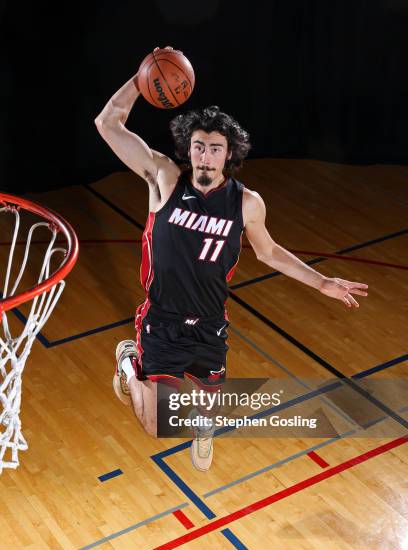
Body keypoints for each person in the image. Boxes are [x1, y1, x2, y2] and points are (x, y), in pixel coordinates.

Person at [95, 47, 368, 471]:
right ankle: (129, 362)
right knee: (156, 427)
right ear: (190, 149)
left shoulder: (246, 204)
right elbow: (107, 124)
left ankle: (203, 426)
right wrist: (142, 79)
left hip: (209, 322)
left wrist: (322, 283)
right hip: (163, 321)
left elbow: (270, 252)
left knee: (207, 412)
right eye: (199, 146)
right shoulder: (164, 179)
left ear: (230, 154)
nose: (206, 155)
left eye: (215, 149)